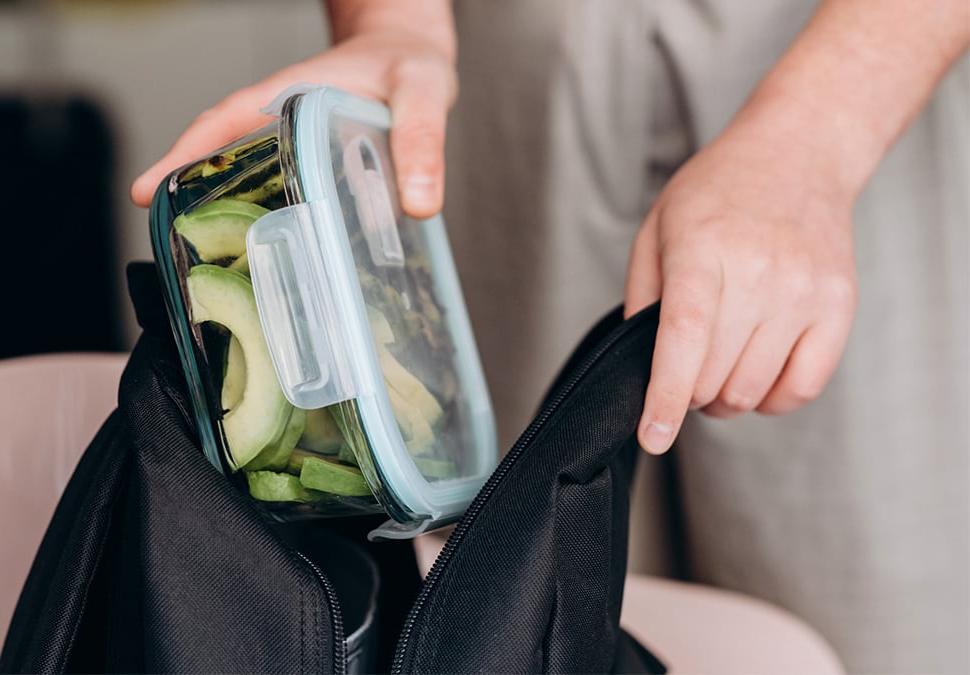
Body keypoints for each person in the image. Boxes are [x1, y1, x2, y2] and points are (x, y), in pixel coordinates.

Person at [132, 1, 969, 671]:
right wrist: (391, 22)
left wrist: (812, 138)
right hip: (516, 60)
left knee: (868, 610)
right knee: (518, 602)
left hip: (860, 57)